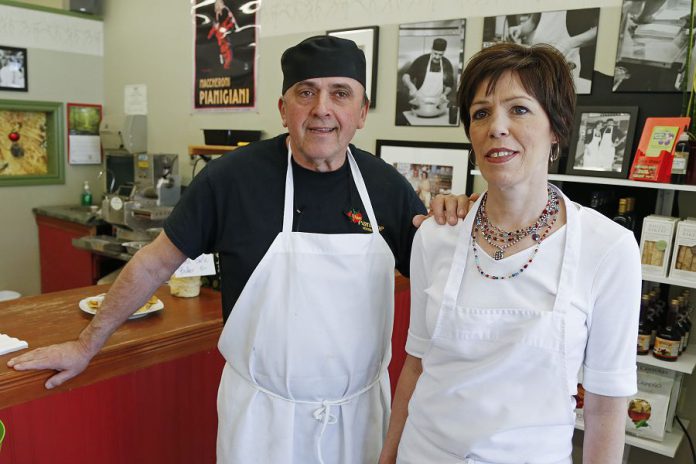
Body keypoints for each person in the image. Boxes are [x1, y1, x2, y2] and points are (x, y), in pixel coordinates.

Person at [8, 36, 469, 464]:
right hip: (260, 420)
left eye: (340, 93)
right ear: (282, 107)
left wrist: (463, 217)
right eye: (305, 92)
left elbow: (446, 290)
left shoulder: (386, 187)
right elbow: (153, 265)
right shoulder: (232, 180)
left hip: (359, 418)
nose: (322, 109)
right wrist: (85, 346)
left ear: (363, 111)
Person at [380, 43, 641, 464]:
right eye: (481, 113)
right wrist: (388, 456)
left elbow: (606, 406)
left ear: (555, 128)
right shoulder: (438, 236)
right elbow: (416, 364)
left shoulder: (607, 248)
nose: (496, 127)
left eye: (519, 109)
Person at [401, 38, 455, 118]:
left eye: (440, 55)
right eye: (435, 53)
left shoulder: (446, 63)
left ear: (444, 52)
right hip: (419, 102)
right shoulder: (421, 60)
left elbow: (449, 85)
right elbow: (406, 76)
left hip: (437, 104)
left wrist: (445, 94)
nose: (437, 57)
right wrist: (411, 87)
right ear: (432, 49)